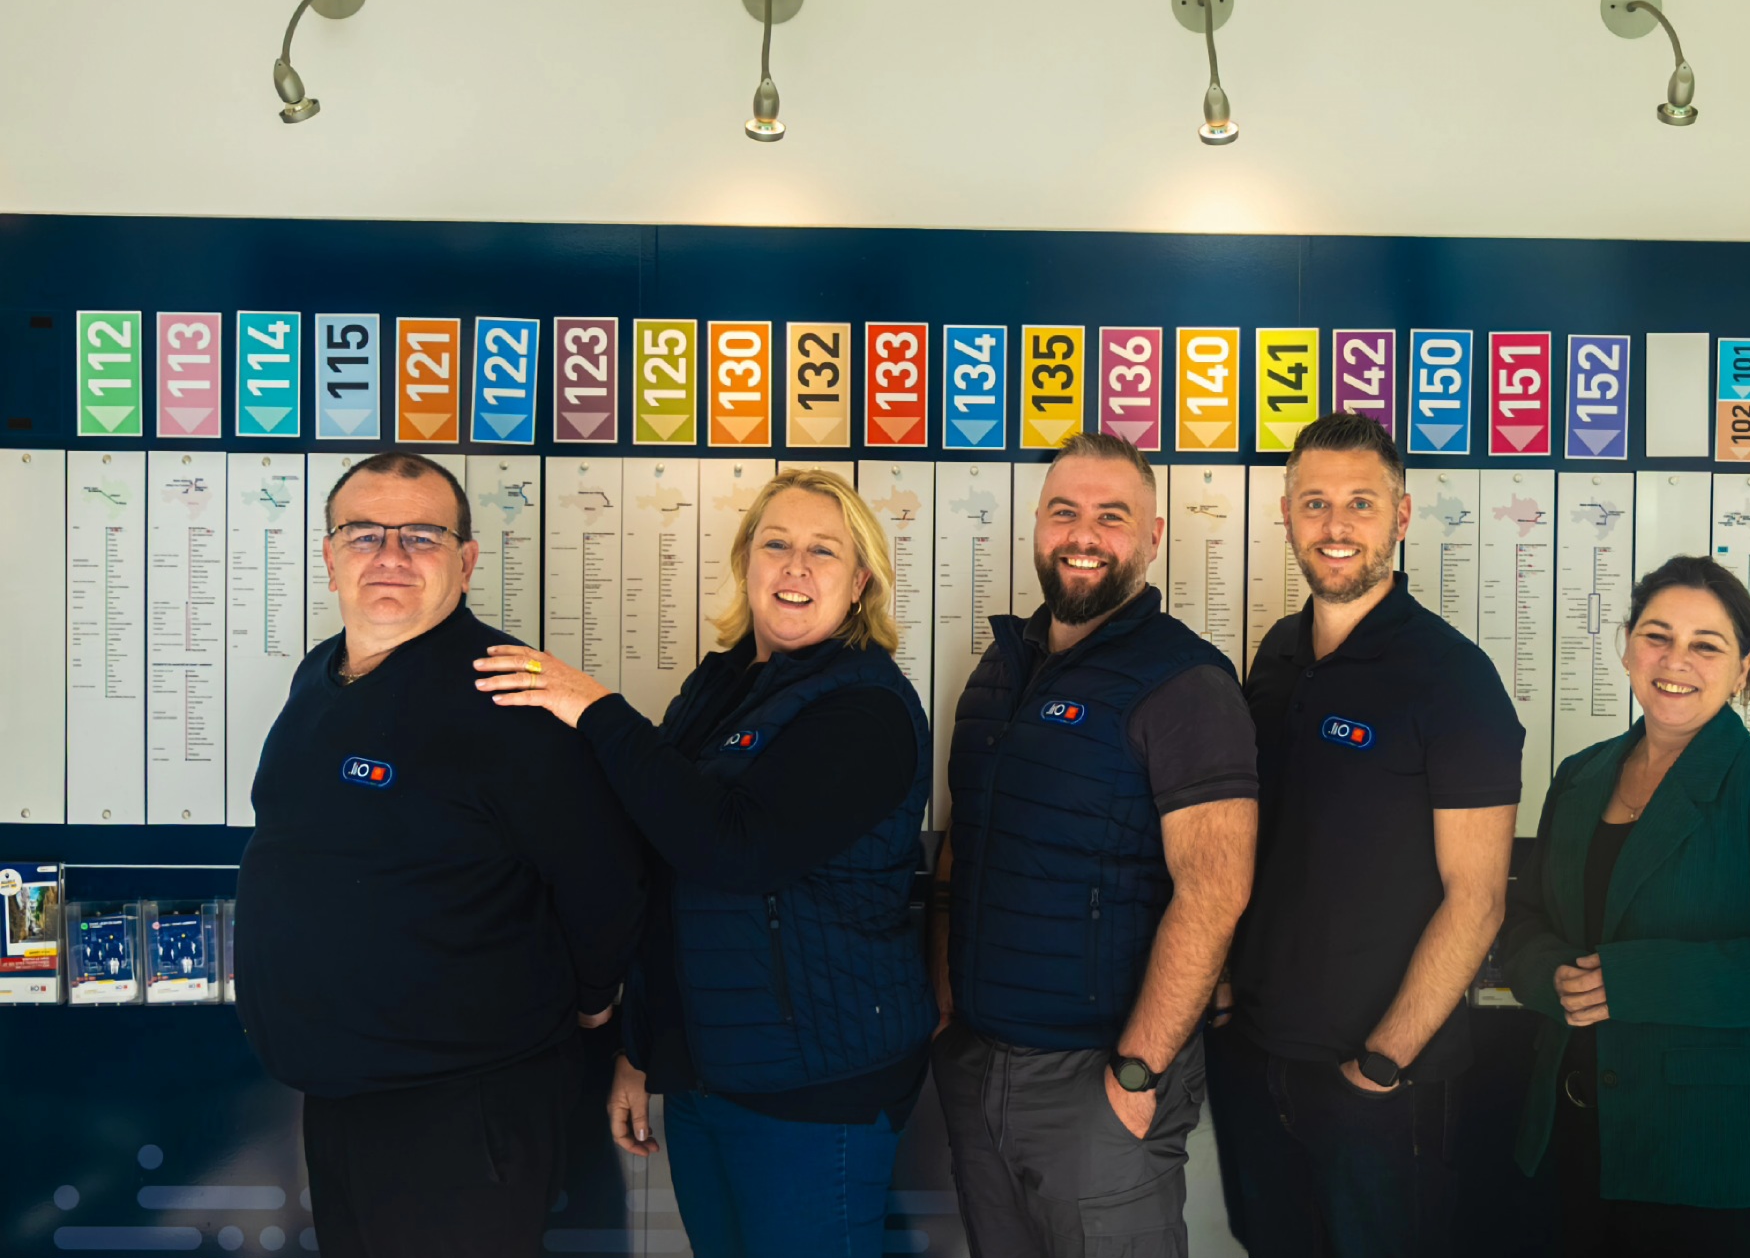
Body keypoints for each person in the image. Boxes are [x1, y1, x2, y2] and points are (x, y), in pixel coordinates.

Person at [475, 468, 934, 1258]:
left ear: (860, 582)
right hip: (704, 1074)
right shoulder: (718, 687)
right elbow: (665, 871)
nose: (795, 566)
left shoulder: (868, 708)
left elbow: (736, 850)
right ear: (746, 560)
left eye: (823, 551)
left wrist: (596, 709)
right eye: (776, 543)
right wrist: (642, 1051)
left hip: (815, 1093)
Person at [236, 452, 645, 1258]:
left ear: (466, 562)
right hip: (340, 1093)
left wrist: (595, 1000)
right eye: (364, 534)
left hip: (460, 1108)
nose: (390, 555)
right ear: (330, 557)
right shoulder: (319, 675)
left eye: (421, 536)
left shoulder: (512, 693)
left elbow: (607, 880)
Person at [930, 431, 1260, 1258]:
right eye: (1064, 512)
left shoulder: (1186, 683)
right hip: (977, 1063)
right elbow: (965, 841)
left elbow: (1215, 891)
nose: (1084, 535)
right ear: (1038, 525)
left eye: (1112, 516)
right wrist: (944, 996)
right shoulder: (999, 670)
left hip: (1097, 1080)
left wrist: (1138, 1073)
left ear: (1152, 537)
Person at [1206, 414, 1524, 1258]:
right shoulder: (1276, 655)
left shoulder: (1454, 679)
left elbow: (1478, 899)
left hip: (1380, 1084)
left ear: (1402, 516)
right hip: (1256, 1058)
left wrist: (1381, 1065)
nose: (1335, 525)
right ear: (1286, 515)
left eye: (1361, 503)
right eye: (1315, 503)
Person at [1500, 555, 1750, 1258]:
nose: (1676, 661)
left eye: (1707, 645)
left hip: (1710, 1163)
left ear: (1744, 667)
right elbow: (1525, 920)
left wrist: (1636, 981)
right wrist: (1551, 976)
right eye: (1657, 636)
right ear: (1628, 647)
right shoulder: (1578, 777)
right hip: (1567, 1144)